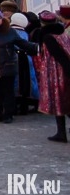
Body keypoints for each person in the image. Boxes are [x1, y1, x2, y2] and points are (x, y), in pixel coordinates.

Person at [31, 10, 70, 143]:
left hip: (56, 71)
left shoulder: (48, 37)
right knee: (65, 101)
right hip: (62, 70)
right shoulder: (62, 33)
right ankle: (61, 132)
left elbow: (59, 56)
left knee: (59, 101)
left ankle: (61, 132)